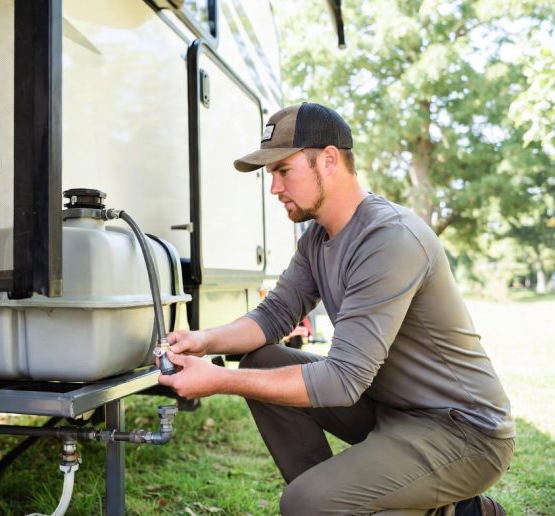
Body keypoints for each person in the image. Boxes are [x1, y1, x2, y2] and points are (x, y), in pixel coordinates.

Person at [157, 103, 514, 515]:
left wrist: (220, 379)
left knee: (304, 504)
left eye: (283, 171)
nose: (273, 188)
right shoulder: (316, 239)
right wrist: (204, 341)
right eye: (270, 175)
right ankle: (352, 499)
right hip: (389, 411)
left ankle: (459, 511)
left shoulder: (389, 239)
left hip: (463, 431)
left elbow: (341, 380)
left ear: (328, 160)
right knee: (264, 360)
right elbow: (273, 316)